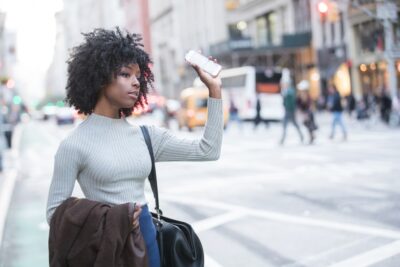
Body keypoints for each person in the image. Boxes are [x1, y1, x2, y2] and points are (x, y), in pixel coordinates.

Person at [46, 28, 223, 267]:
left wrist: (214, 90)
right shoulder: (73, 145)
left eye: (138, 75)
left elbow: (208, 150)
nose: (136, 82)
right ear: (99, 78)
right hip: (104, 250)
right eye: (125, 74)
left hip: (147, 237)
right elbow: (54, 213)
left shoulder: (146, 136)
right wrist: (111, 219)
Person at [280, 80, 304, 145]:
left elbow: (292, 102)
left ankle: (283, 139)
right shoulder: (286, 91)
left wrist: (293, 110)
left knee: (286, 124)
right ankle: (301, 136)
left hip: (290, 110)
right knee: (293, 124)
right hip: (288, 110)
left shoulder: (290, 91)